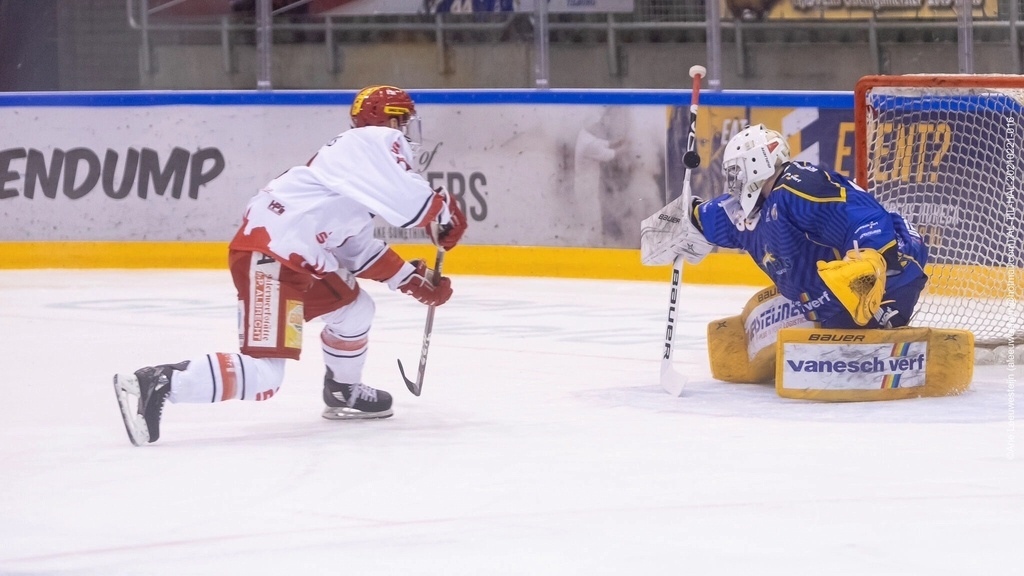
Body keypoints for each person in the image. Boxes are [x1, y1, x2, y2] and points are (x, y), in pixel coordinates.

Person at [113, 85, 467, 446]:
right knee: (266, 377)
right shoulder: (372, 140)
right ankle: (160, 381)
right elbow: (410, 199)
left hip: (296, 260)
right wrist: (441, 210)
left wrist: (411, 280)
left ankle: (342, 390)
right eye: (403, 121)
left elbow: (355, 248)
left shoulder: (353, 177)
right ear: (390, 120)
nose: (406, 132)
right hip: (272, 261)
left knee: (355, 309)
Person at [650, 123, 928, 330]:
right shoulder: (740, 212)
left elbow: (862, 216)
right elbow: (694, 220)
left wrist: (871, 257)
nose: (732, 181)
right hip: (827, 305)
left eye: (736, 171)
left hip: (890, 271)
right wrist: (676, 222)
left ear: (758, 161)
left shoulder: (797, 186)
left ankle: (885, 320)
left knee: (860, 289)